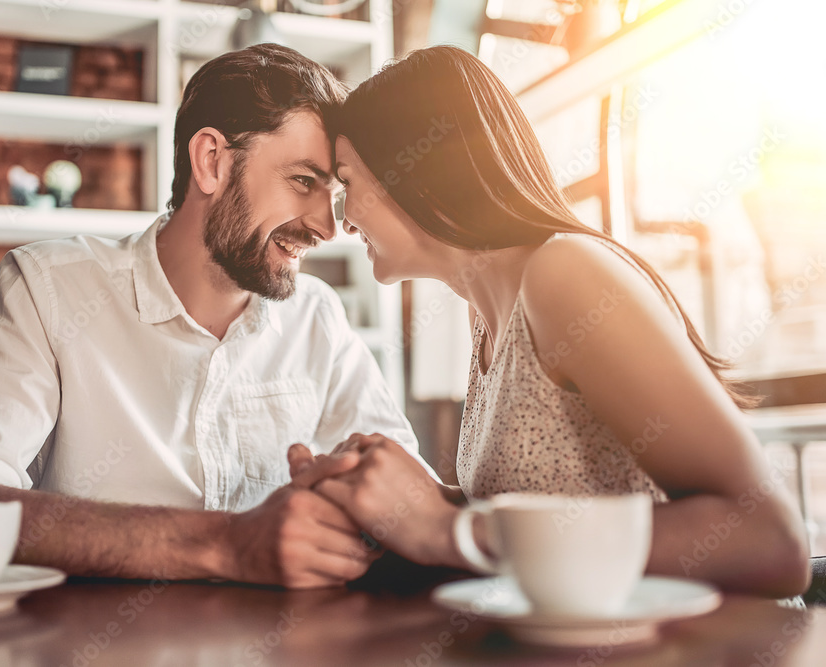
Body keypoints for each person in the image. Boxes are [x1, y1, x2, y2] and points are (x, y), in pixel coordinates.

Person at [289, 45, 811, 598]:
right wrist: (413, 500)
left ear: (415, 171)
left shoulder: (565, 275)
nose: (341, 221)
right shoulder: (486, 315)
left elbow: (772, 541)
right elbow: (547, 505)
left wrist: (452, 529)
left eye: (347, 183)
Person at [0, 44, 427, 589]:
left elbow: (408, 500)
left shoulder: (319, 318)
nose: (327, 226)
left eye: (334, 194)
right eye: (302, 182)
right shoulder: (49, 288)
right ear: (211, 162)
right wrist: (227, 544)